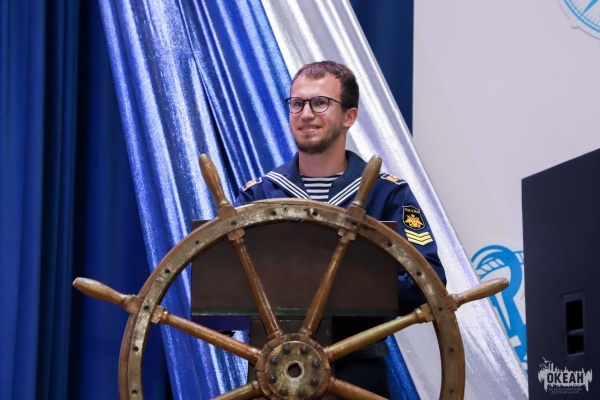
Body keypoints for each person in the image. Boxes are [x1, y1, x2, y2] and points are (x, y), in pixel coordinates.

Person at [234, 60, 446, 397]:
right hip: (273, 375)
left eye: (320, 103)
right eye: (297, 103)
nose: (306, 114)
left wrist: (330, 293)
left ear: (349, 116)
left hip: (357, 375)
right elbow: (222, 284)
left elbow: (427, 280)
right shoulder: (258, 196)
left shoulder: (388, 194)